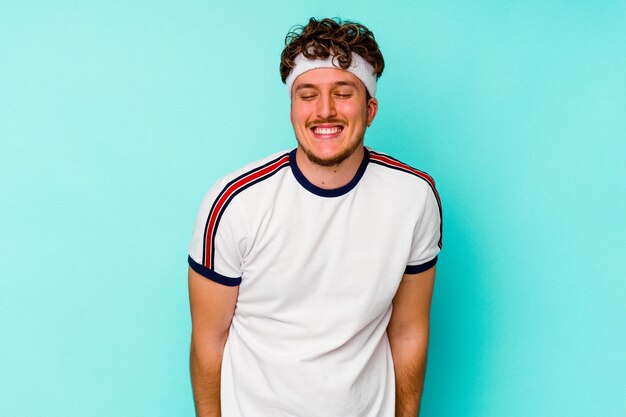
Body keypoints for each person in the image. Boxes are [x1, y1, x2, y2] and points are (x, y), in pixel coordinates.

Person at [187, 17, 442, 417]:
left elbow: (409, 331)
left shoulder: (414, 198)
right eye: (308, 95)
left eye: (343, 94)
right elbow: (208, 339)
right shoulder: (234, 202)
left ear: (370, 108)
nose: (325, 111)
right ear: (292, 109)